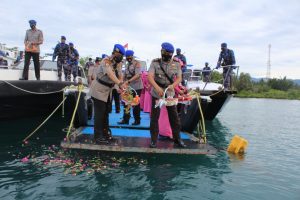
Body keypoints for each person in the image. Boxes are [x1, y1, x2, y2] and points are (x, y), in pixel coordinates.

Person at [147, 42, 186, 148]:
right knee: (155, 117)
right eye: (163, 52)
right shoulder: (155, 63)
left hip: (169, 93)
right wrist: (157, 88)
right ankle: (153, 140)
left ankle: (177, 139)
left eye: (167, 53)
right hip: (157, 92)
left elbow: (179, 78)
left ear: (171, 54)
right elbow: (150, 77)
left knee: (174, 117)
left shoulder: (176, 63)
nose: (164, 54)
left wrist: (173, 85)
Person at [89, 44, 126, 143]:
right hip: (99, 90)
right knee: (99, 114)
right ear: (115, 52)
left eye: (122, 56)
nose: (121, 57)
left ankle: (106, 135)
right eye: (120, 55)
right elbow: (110, 73)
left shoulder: (118, 63)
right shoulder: (106, 61)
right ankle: (98, 136)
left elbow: (120, 75)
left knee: (106, 114)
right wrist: (119, 84)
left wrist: (120, 85)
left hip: (108, 92)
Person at [118, 50, 144, 125]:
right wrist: (122, 83)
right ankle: (126, 119)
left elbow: (138, 75)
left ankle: (137, 120)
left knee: (135, 104)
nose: (128, 58)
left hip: (136, 86)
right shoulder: (127, 64)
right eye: (127, 57)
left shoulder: (137, 63)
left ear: (132, 56)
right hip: (128, 87)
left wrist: (128, 81)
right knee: (126, 103)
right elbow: (125, 75)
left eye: (130, 56)